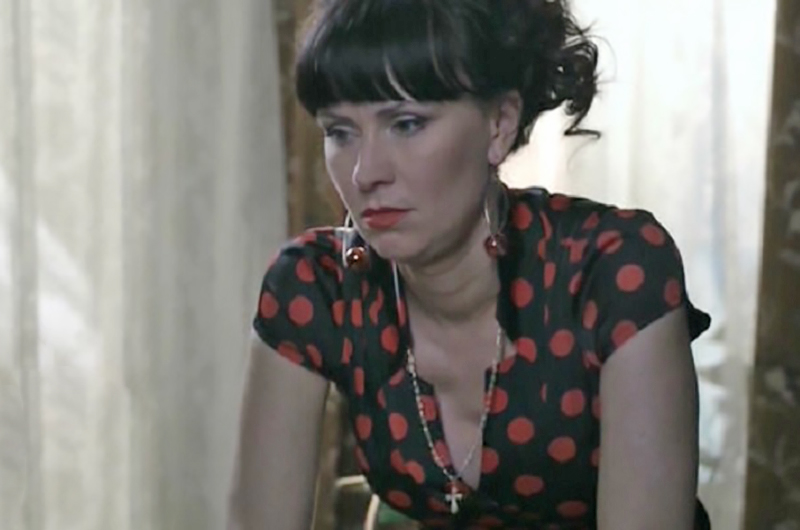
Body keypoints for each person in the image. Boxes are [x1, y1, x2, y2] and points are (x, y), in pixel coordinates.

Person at [227, 0, 713, 528]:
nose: (365, 173)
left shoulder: (613, 269)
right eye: (340, 132)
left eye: (406, 124)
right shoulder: (315, 285)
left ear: (499, 124)